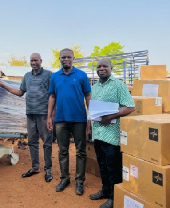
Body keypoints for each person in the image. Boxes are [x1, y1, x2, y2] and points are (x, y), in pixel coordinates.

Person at [0, 53, 53, 182]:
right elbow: (20, 92)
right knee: (32, 142)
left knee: (47, 142)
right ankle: (35, 167)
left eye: (36, 60)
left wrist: (52, 114)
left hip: (44, 114)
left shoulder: (49, 75)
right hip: (30, 114)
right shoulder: (27, 76)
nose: (33, 63)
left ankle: (48, 170)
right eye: (31, 61)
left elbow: (53, 95)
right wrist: (4, 86)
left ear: (41, 61)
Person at [88, 59, 135, 208]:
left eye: (104, 66)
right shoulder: (94, 87)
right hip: (98, 133)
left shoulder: (118, 85)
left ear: (111, 68)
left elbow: (130, 107)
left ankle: (115, 197)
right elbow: (92, 109)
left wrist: (111, 117)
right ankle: (106, 190)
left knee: (113, 167)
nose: (101, 69)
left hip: (112, 135)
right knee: (102, 164)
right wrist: (89, 128)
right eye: (99, 66)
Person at [47, 48, 91, 195]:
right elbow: (52, 97)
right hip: (60, 120)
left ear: (73, 58)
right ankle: (64, 179)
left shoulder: (82, 75)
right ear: (60, 59)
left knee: (81, 151)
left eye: (68, 57)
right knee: (63, 151)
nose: (66, 59)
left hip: (79, 119)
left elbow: (88, 96)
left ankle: (79, 181)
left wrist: (90, 118)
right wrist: (49, 117)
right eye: (63, 57)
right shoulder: (55, 77)